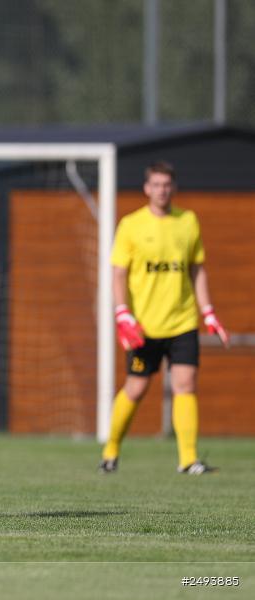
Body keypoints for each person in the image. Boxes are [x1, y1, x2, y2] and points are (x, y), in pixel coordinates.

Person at [100, 160, 229, 475]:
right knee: (137, 388)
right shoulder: (131, 225)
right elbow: (119, 274)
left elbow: (197, 269)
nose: (162, 190)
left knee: (185, 384)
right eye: (156, 184)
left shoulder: (188, 222)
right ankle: (111, 449)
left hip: (183, 321)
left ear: (174, 187)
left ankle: (188, 460)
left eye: (167, 184)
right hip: (145, 325)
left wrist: (208, 311)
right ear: (147, 188)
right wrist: (123, 313)